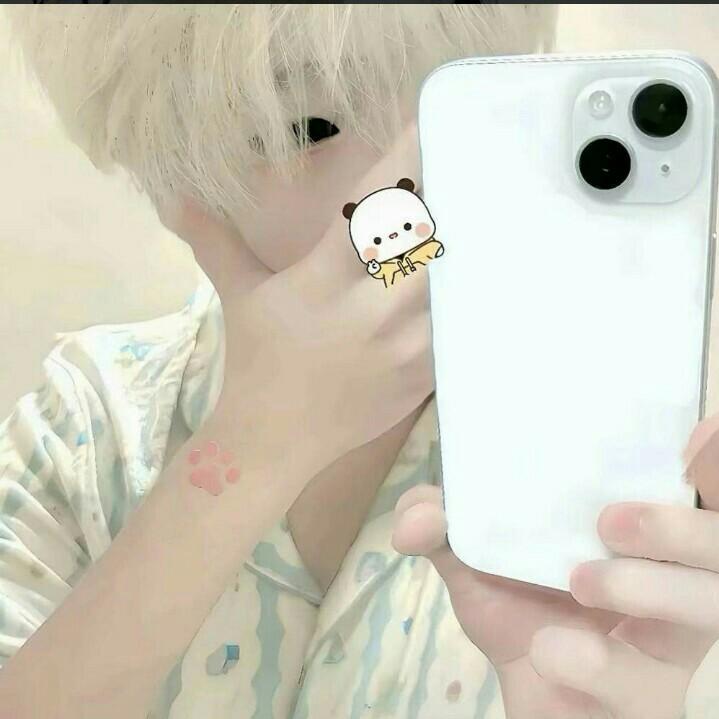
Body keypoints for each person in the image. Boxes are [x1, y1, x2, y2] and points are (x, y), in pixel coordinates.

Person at [0, 5, 717, 719]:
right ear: (173, 176)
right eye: (304, 128)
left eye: (463, 101)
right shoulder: (89, 425)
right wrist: (251, 447)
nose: (414, 177)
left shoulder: (609, 459)